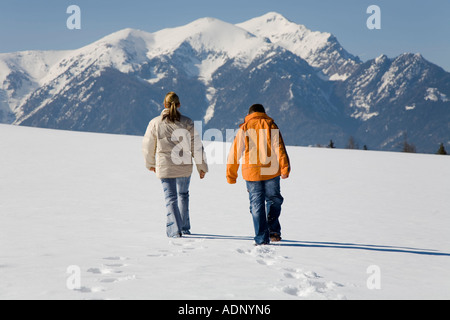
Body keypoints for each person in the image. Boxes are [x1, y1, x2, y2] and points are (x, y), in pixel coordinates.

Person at [143, 92, 208, 238]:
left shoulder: (155, 123)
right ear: (179, 105)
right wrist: (201, 167)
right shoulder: (187, 122)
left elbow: (148, 146)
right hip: (184, 166)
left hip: (165, 166)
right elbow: (196, 146)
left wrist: (150, 163)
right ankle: (184, 227)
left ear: (164, 104)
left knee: (170, 198)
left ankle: (175, 230)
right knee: (183, 195)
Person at [227, 104, 290, 245]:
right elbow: (279, 148)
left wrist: (231, 175)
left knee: (256, 204)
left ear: (250, 113)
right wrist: (285, 167)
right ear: (263, 112)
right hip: (271, 171)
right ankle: (273, 231)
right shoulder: (271, 125)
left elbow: (234, 153)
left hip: (252, 172)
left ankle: (262, 238)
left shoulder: (244, 128)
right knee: (274, 200)